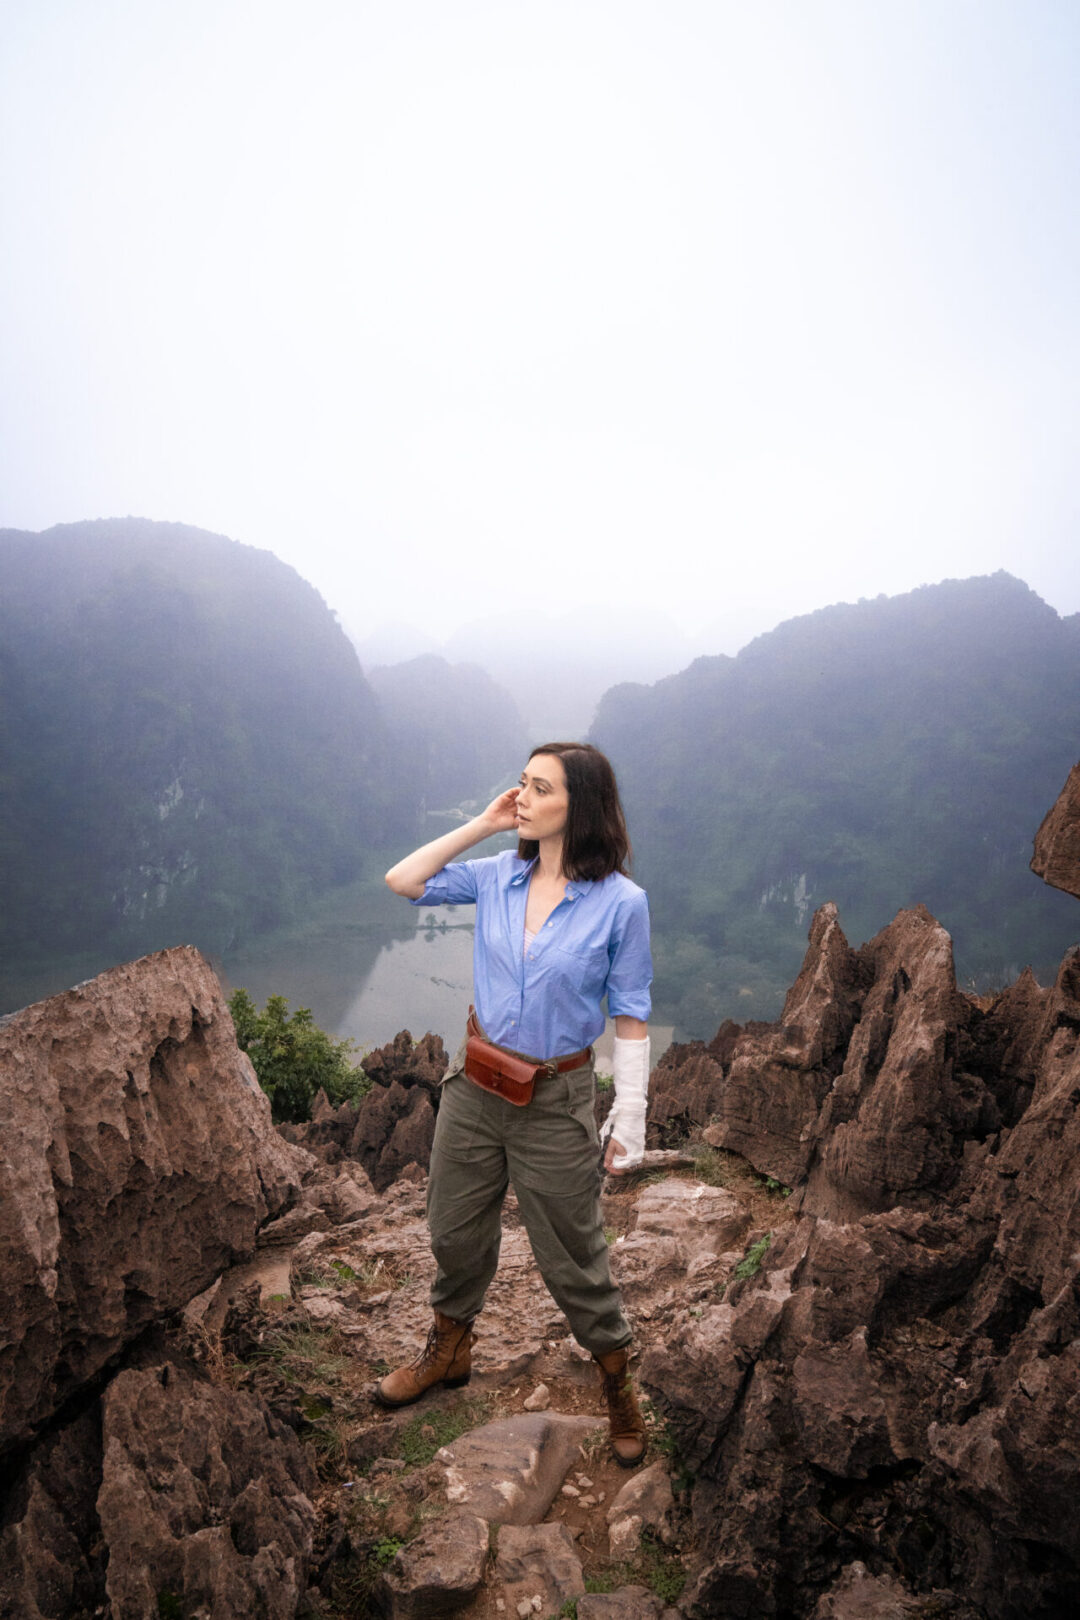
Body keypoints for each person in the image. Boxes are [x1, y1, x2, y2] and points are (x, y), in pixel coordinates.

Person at [375, 742, 653, 1466]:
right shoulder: (498, 875)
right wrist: (484, 823)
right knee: (452, 1231)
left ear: (579, 806)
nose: (522, 795)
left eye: (539, 788)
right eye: (521, 783)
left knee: (574, 1257)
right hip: (475, 1085)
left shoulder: (623, 904)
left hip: (556, 1097)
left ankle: (617, 1383)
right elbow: (403, 880)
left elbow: (629, 1013)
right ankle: (449, 1348)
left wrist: (632, 1115)